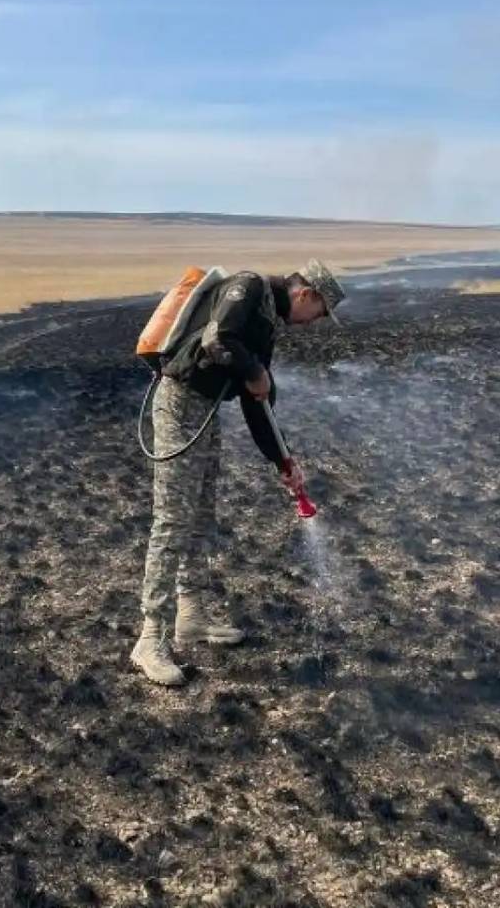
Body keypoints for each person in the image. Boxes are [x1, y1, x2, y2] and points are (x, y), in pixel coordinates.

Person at [131, 260, 346, 687]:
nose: (314, 323)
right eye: (319, 313)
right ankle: (149, 637)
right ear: (306, 294)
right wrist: (253, 371)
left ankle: (190, 618)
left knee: (200, 516)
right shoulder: (248, 287)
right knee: (173, 519)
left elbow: (256, 402)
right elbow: (219, 339)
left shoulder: (266, 322)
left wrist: (283, 462)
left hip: (202, 414)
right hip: (178, 406)